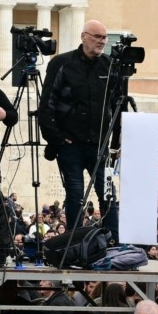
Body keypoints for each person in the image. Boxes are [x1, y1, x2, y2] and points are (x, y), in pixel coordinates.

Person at [40, 19, 119, 233]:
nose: (102, 41)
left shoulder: (110, 66)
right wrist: (56, 138)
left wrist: (116, 142)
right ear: (84, 36)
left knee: (108, 194)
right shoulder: (61, 63)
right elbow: (47, 104)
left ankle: (113, 240)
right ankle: (74, 241)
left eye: (104, 38)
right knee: (75, 194)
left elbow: (118, 106)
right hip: (70, 143)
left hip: (99, 145)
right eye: (97, 37)